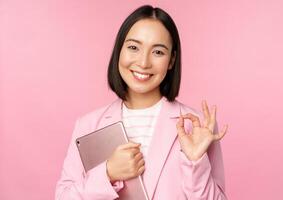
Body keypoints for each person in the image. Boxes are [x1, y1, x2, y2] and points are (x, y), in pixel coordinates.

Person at [55, 5, 228, 200]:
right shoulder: (87, 125)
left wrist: (195, 163)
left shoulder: (196, 126)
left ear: (171, 61)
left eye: (158, 52)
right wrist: (108, 174)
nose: (144, 62)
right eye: (133, 48)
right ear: (119, 50)